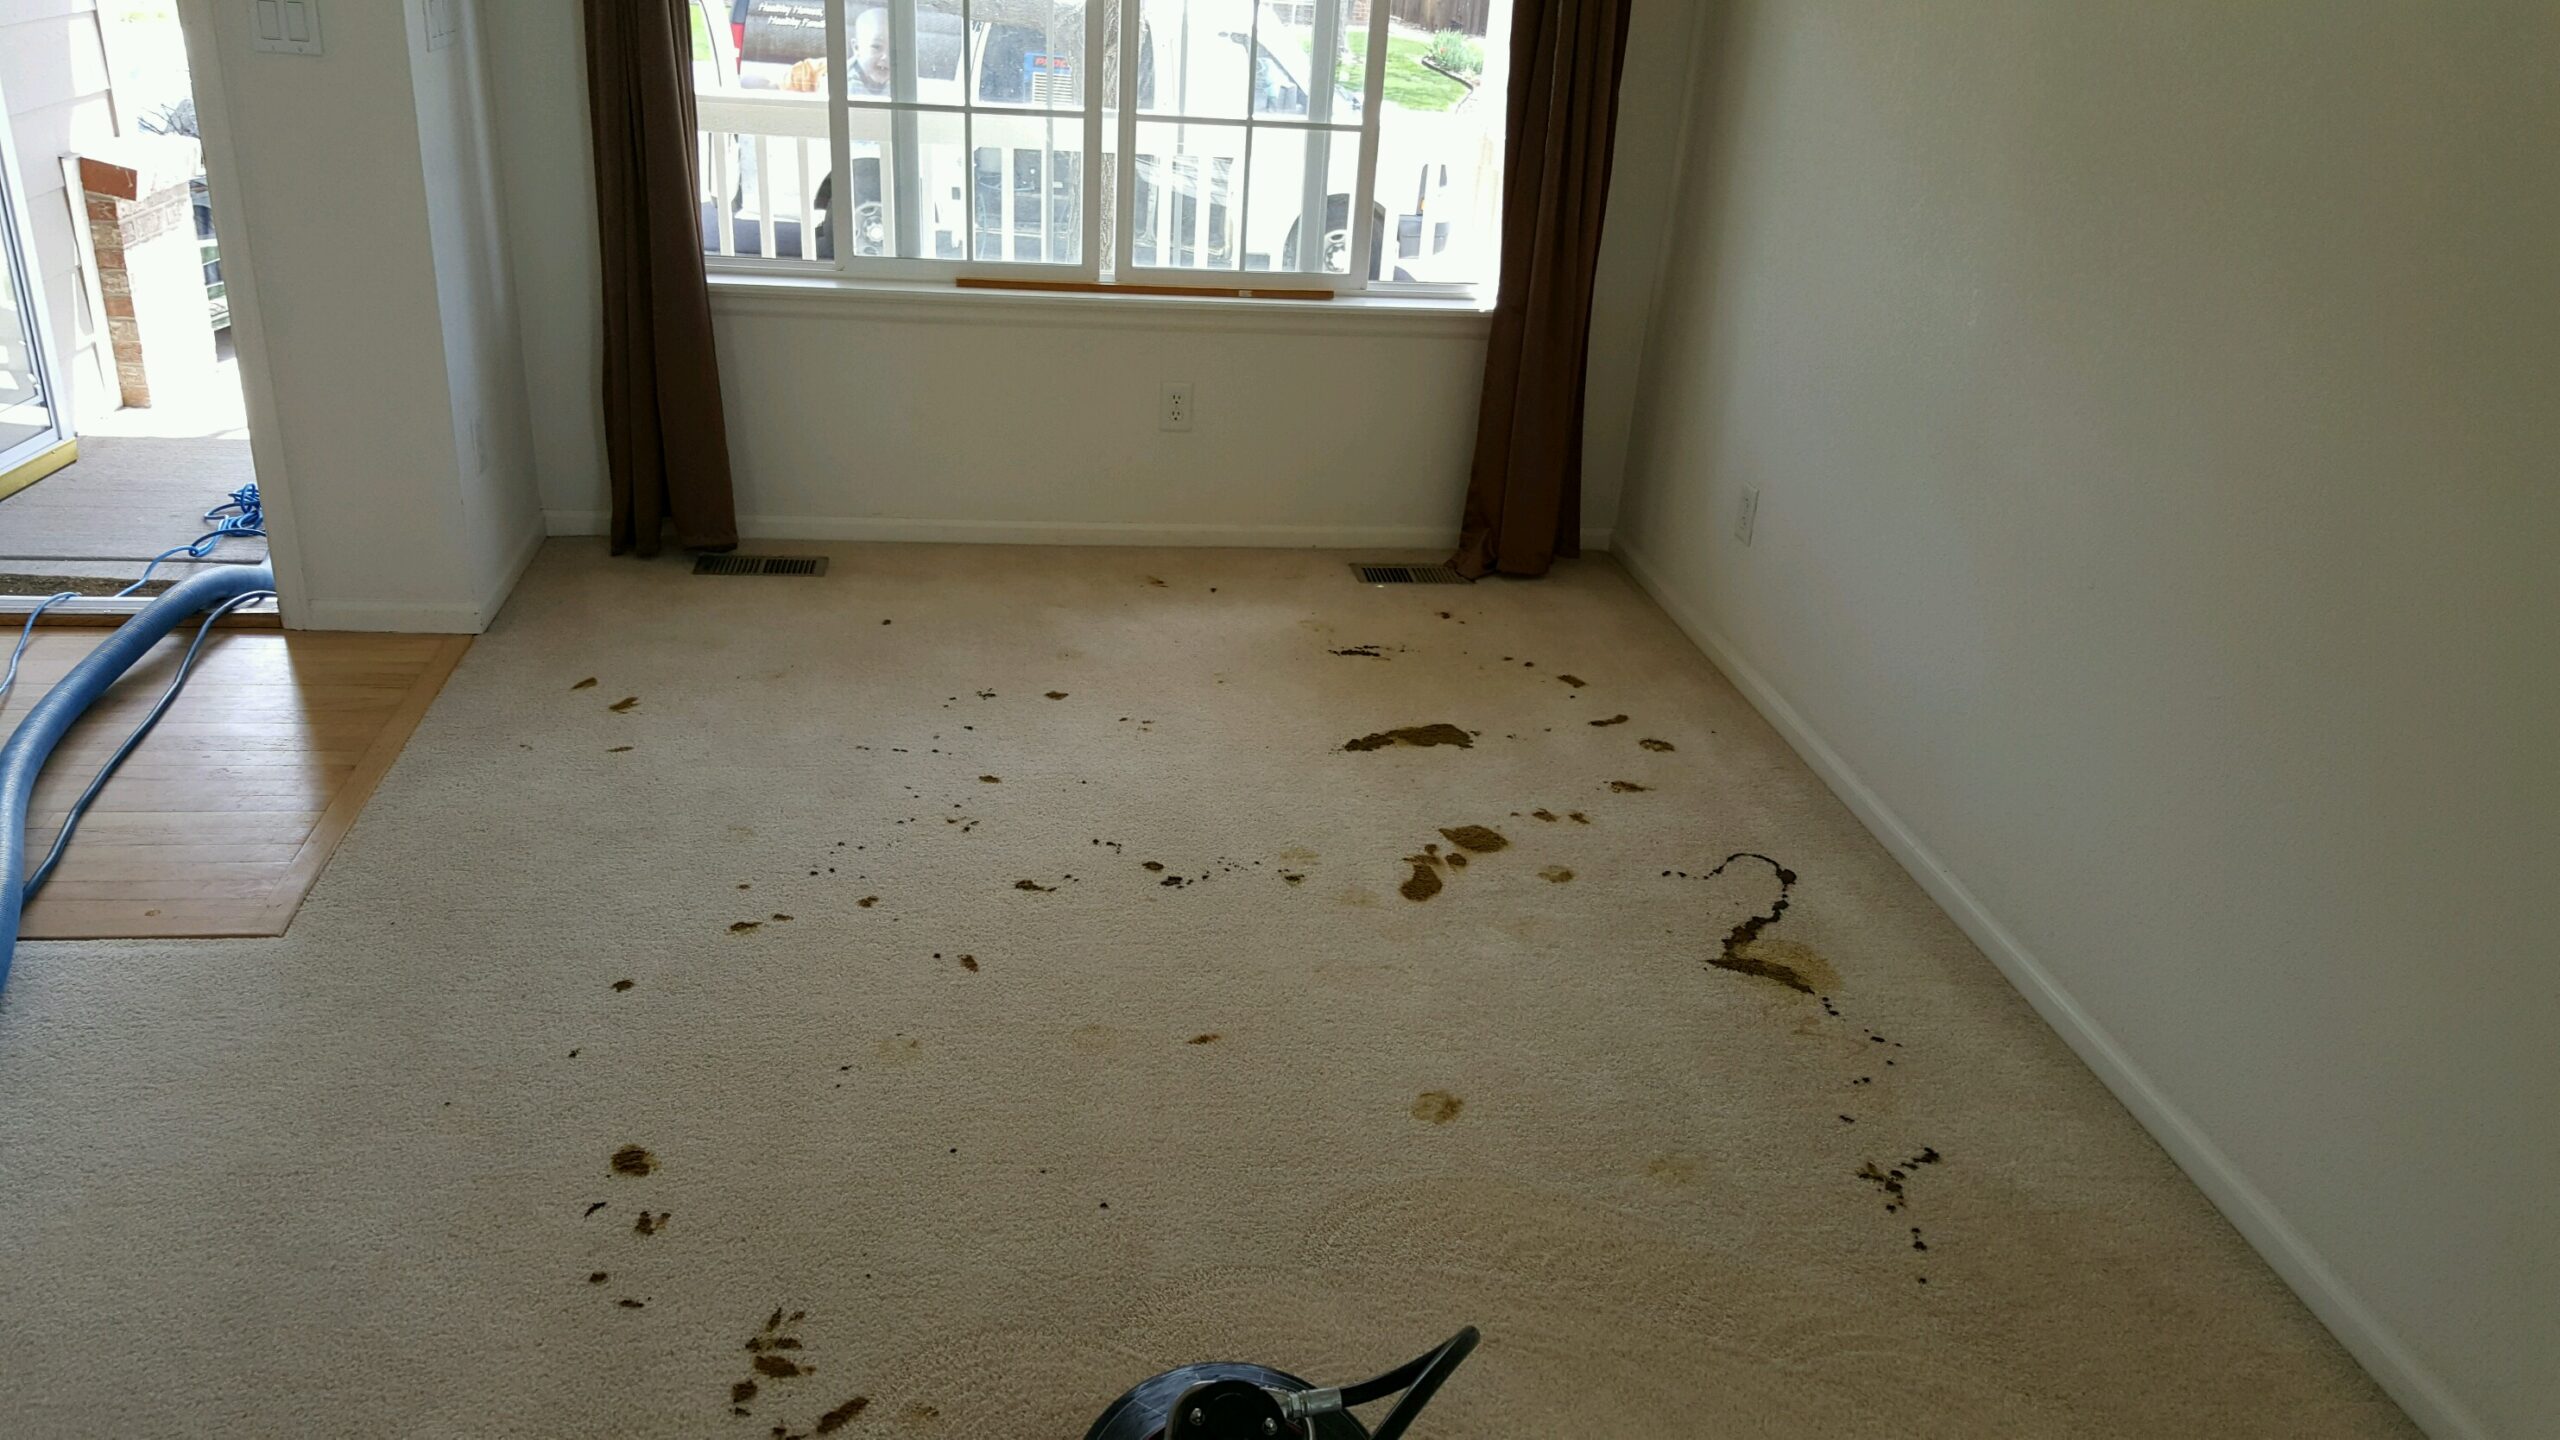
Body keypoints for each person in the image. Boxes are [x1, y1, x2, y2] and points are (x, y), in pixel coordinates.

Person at [784, 7, 894, 97]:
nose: (886, 56)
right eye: (876, 47)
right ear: (856, 48)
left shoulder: (900, 78)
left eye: (893, 50)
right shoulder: (846, 83)